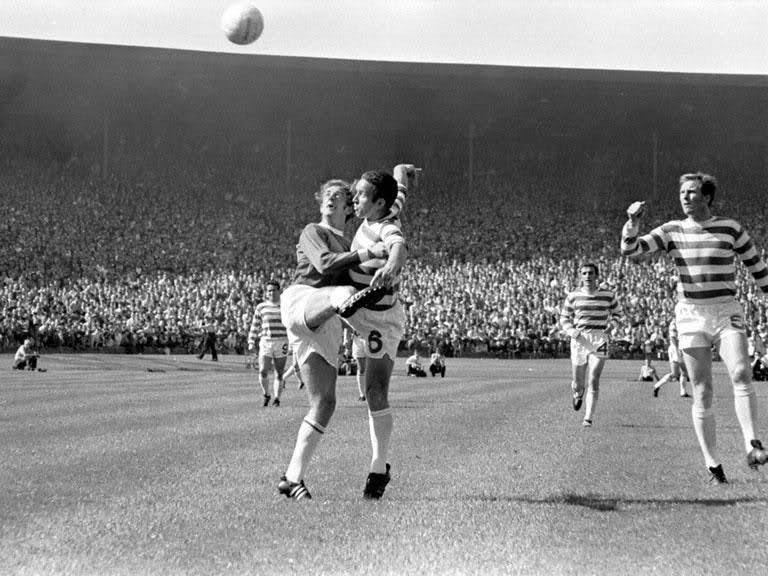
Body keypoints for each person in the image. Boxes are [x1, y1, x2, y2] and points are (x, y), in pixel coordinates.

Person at [622, 171, 768, 483]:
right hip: (690, 314)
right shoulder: (671, 230)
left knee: (741, 372)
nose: (686, 197)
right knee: (702, 389)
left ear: (708, 197)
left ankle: (752, 444)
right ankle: (714, 466)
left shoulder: (730, 228)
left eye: (692, 192)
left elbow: (756, 267)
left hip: (726, 310)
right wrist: (632, 224)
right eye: (683, 193)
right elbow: (632, 252)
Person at [277, 178, 390, 501]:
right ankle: (351, 306)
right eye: (327, 194)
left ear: (349, 207)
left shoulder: (352, 241)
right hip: (304, 301)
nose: (331, 197)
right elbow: (324, 263)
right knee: (345, 292)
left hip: (328, 320)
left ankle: (292, 477)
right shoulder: (313, 231)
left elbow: (388, 206)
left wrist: (399, 182)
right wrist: (368, 253)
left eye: (339, 195)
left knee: (325, 402)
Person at [342, 164, 417, 499]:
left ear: (378, 203)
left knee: (374, 392)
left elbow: (398, 244)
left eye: (361, 195)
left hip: (381, 322)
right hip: (360, 307)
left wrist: (392, 264)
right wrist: (404, 170)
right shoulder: (389, 204)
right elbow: (399, 182)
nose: (355, 198)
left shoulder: (386, 226)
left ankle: (378, 466)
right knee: (336, 300)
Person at [559, 263, 621, 428]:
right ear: (581, 276)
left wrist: (611, 327)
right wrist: (571, 331)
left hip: (600, 338)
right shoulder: (573, 296)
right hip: (580, 340)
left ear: (596, 275)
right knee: (579, 381)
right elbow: (564, 318)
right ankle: (578, 393)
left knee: (594, 378)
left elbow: (618, 313)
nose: (588, 276)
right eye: (584, 273)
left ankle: (588, 418)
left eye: (591, 273)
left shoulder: (608, 295)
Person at [248, 280, 289, 407]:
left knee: (279, 372)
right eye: (269, 290)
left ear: (279, 291)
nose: (271, 293)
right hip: (266, 341)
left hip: (282, 341)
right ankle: (266, 394)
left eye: (273, 290)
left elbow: (290, 324)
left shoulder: (285, 306)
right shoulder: (261, 307)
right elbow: (255, 325)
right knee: (263, 371)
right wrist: (251, 340)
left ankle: (277, 398)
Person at [652, 318, 690, 398]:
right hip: (676, 349)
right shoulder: (675, 322)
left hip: (679, 348)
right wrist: (678, 349)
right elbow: (673, 338)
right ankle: (657, 386)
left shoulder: (684, 320)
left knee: (680, 372)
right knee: (678, 373)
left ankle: (682, 391)